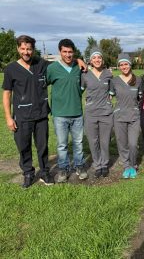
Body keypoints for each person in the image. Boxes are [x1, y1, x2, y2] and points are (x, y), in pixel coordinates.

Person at [2, 35, 54, 188]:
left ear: (33, 49)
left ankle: (44, 172)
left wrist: (78, 60)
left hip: (41, 114)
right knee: (23, 146)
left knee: (43, 146)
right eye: (23, 48)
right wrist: (8, 117)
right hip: (22, 116)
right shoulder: (11, 69)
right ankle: (28, 173)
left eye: (29, 49)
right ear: (18, 49)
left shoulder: (41, 64)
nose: (26, 52)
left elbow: (61, 65)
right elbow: (7, 94)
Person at [47, 38, 88, 183]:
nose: (68, 55)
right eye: (64, 52)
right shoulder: (52, 68)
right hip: (59, 114)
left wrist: (80, 60)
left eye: (70, 52)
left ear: (74, 53)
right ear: (60, 52)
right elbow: (42, 86)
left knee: (78, 143)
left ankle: (79, 166)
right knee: (62, 144)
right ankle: (63, 169)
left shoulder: (79, 67)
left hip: (77, 112)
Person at [81, 50, 113, 178]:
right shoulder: (85, 75)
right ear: (91, 61)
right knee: (93, 140)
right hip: (91, 113)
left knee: (104, 140)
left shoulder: (108, 74)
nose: (97, 60)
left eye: (99, 57)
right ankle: (97, 164)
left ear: (102, 60)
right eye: (94, 58)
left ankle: (104, 164)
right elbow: (80, 90)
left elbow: (112, 91)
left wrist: (108, 101)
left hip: (106, 113)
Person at [109, 54, 141, 179]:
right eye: (121, 65)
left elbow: (142, 98)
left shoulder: (137, 80)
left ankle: (133, 165)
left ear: (130, 64)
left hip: (134, 116)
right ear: (119, 66)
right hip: (119, 116)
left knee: (133, 143)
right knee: (122, 143)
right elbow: (109, 97)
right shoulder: (114, 81)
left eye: (126, 64)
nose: (124, 66)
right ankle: (126, 165)